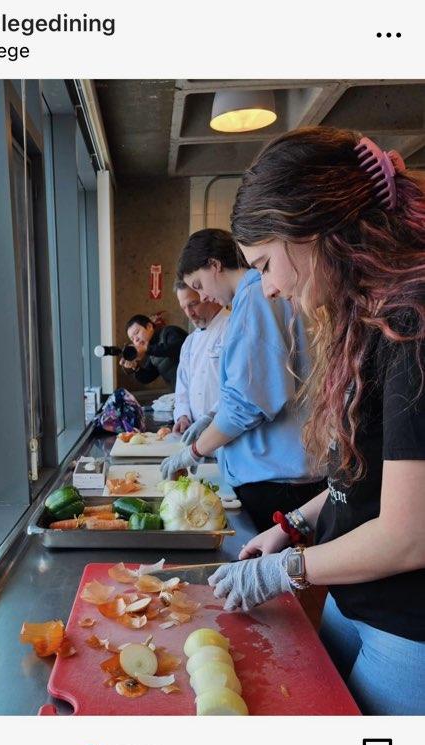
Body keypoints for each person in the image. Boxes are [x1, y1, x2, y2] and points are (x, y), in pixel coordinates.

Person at [208, 126, 425, 715]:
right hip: (353, 601)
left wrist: (286, 571)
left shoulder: (414, 322)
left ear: (311, 230)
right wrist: (293, 526)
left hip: (409, 628)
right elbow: (360, 482)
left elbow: (409, 535)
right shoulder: (370, 317)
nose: (270, 288)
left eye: (266, 264)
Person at [161, 229, 324, 532]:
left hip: (275, 477)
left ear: (215, 265)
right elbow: (253, 382)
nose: (204, 296)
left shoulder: (255, 297)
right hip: (279, 472)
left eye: (199, 285)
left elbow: (248, 403)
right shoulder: (252, 300)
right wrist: (212, 416)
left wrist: (196, 450)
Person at [173, 282, 229, 433]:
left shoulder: (232, 327)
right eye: (184, 307)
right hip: (194, 433)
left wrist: (211, 417)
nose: (189, 313)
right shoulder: (189, 342)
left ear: (209, 296)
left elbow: (237, 387)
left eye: (193, 304)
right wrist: (182, 416)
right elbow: (182, 386)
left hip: (226, 430)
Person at [121, 314, 187, 390]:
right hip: (181, 393)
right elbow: (148, 377)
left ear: (149, 326)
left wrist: (147, 349)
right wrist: (135, 367)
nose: (136, 340)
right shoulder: (152, 351)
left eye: (136, 333)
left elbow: (177, 349)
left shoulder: (169, 332)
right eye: (132, 339)